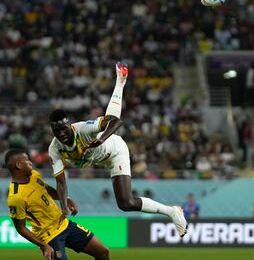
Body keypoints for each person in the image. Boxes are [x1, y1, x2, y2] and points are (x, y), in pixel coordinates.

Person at [48, 62, 187, 237]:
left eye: (64, 129)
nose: (61, 134)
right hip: (100, 160)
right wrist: (64, 209)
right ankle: (120, 81)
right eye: (56, 131)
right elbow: (61, 182)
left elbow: (115, 121)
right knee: (124, 204)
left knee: (126, 203)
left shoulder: (83, 128)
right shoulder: (54, 149)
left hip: (115, 151)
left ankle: (172, 212)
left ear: (70, 126)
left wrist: (102, 139)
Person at [6, 149, 109, 260]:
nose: (31, 162)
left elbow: (48, 190)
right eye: (27, 160)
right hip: (50, 237)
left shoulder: (34, 176)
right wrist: (43, 245)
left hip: (64, 224)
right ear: (19, 165)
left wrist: (65, 199)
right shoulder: (16, 197)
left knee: (103, 252)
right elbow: (20, 228)